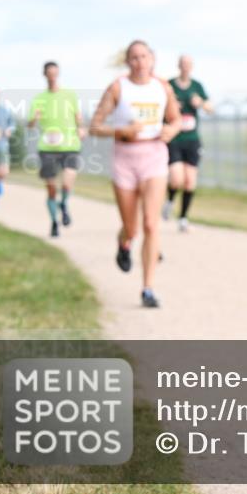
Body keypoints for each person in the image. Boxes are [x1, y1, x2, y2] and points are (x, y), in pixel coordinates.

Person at [90, 40, 181, 308]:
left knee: (152, 224)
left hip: (154, 156)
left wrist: (171, 130)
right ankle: (124, 243)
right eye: (134, 57)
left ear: (152, 59)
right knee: (132, 227)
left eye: (144, 56)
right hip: (125, 159)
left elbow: (176, 119)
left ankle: (148, 288)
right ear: (127, 62)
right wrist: (122, 131)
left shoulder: (163, 87)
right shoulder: (118, 88)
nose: (139, 62)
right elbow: (95, 126)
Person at [28, 61, 85, 237]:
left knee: (68, 181)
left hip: (70, 145)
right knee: (51, 189)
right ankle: (54, 222)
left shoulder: (69, 95)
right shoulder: (39, 99)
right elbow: (30, 124)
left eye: (55, 73)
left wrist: (81, 128)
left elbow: (78, 117)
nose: (53, 77)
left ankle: (64, 204)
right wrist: (34, 119)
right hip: (48, 148)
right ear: (45, 75)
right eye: (49, 74)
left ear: (58, 74)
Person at [163, 54, 213, 232]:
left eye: (188, 64)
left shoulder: (197, 86)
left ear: (192, 67)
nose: (185, 67)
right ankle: (169, 201)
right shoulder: (169, 85)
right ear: (178, 65)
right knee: (176, 179)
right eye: (183, 64)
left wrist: (200, 103)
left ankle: (183, 218)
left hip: (192, 140)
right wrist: (171, 105)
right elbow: (160, 106)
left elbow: (210, 108)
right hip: (175, 139)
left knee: (190, 181)